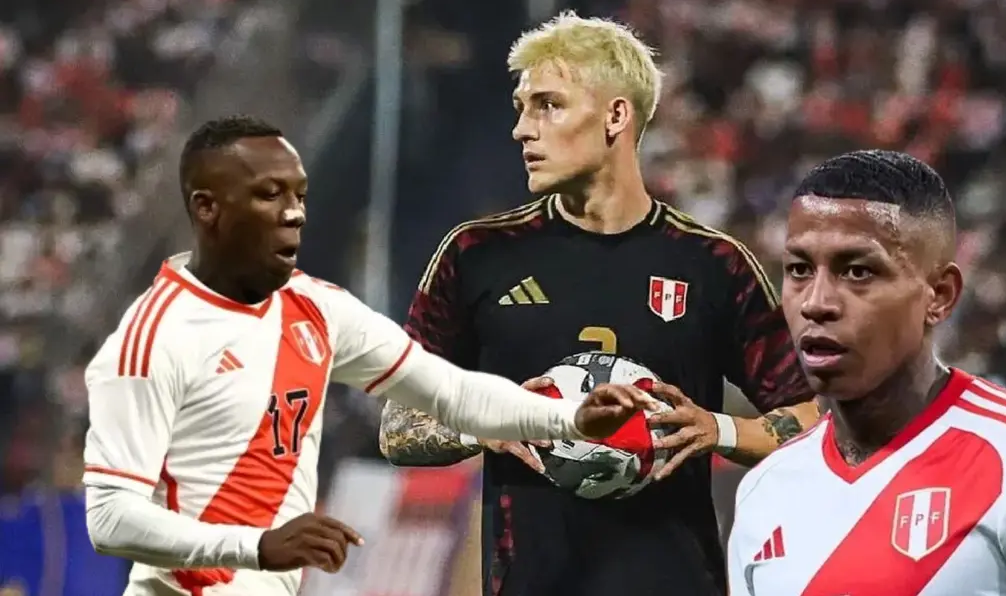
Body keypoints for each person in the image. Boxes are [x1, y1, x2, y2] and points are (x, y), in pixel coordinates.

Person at [81, 115, 658, 596]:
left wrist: (568, 417)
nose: (294, 213)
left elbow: (448, 391)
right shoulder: (153, 338)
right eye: (268, 194)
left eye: (299, 195)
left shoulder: (317, 309)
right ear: (207, 208)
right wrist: (254, 544)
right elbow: (109, 517)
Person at [378, 12, 818, 596]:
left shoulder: (714, 263)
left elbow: (816, 422)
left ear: (616, 116)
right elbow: (398, 427)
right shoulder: (477, 254)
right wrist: (493, 422)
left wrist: (720, 430)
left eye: (548, 105)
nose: (522, 130)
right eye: (520, 107)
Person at [727, 150, 1006, 595]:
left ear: (939, 295)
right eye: (799, 270)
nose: (816, 302)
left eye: (859, 271)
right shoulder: (765, 491)